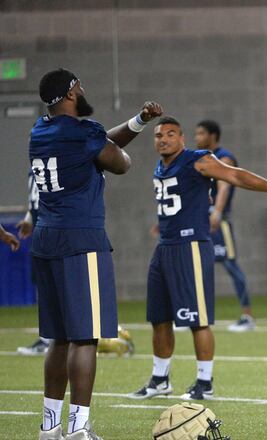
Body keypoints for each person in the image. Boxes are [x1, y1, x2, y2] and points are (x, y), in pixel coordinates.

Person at [129, 116, 267, 402]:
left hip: (191, 245)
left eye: (171, 134)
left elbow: (235, 175)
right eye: (159, 135)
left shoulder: (198, 159)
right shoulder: (161, 166)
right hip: (165, 247)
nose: (163, 139)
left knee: (198, 319)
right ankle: (160, 380)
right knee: (159, 319)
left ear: (182, 139)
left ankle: (204, 382)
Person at [32, 68, 163, 440]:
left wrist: (137, 122)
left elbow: (95, 141)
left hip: (46, 239)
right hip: (81, 240)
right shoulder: (84, 133)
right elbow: (120, 162)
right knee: (85, 338)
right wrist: (117, 152)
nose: (84, 89)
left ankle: (50, 427)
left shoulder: (39, 131)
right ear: (72, 92)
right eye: (80, 85)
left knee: (58, 338)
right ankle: (78, 429)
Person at [193, 120, 253, 332]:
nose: (197, 137)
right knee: (195, 267)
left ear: (213, 135)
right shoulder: (199, 158)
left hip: (218, 221)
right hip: (199, 220)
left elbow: (224, 186)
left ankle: (247, 317)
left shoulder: (223, 157)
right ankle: (192, 315)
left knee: (231, 265)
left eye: (201, 133)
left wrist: (217, 213)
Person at [16, 172, 52, 355]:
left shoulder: (58, 160)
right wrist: (29, 220)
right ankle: (48, 338)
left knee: (56, 288)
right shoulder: (35, 168)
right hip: (40, 235)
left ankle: (53, 339)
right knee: (43, 286)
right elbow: (36, 202)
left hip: (55, 233)